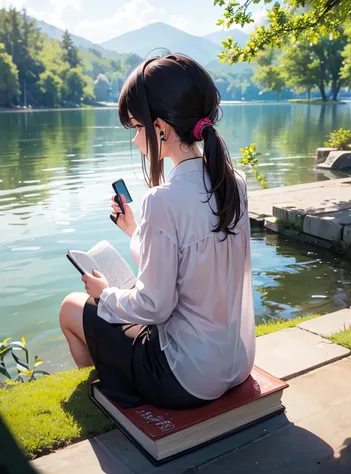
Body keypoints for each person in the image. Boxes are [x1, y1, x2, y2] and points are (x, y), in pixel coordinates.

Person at [59, 53, 256, 409]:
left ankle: (108, 390)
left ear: (161, 127)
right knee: (107, 310)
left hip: (187, 378)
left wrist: (105, 295)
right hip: (236, 363)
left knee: (72, 307)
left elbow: (155, 307)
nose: (136, 140)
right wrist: (135, 230)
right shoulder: (234, 183)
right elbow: (194, 259)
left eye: (137, 127)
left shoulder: (163, 201)